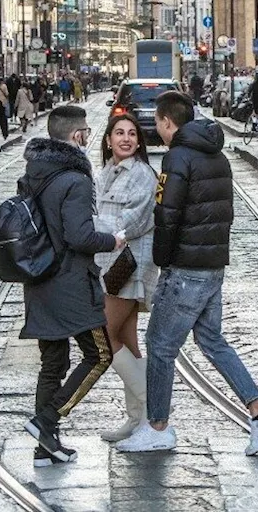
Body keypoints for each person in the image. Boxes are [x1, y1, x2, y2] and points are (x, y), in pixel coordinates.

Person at [117, 92, 258, 456]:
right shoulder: (216, 154)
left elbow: (167, 214)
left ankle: (158, 426)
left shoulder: (178, 156)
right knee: (211, 341)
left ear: (165, 121)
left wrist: (163, 260)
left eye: (158, 125)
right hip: (212, 266)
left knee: (161, 347)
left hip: (185, 269)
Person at [19, 105, 124, 464]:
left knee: (53, 363)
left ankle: (44, 447)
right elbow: (79, 236)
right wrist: (112, 242)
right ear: (78, 136)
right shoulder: (76, 180)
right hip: (71, 283)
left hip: (38, 281)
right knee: (100, 355)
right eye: (87, 132)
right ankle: (47, 421)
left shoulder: (34, 172)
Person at [93, 114, 160, 445]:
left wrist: (89, 227)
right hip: (107, 263)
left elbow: (129, 223)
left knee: (103, 335)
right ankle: (138, 420)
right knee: (128, 340)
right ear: (108, 140)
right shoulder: (104, 173)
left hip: (129, 265)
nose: (125, 138)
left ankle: (153, 408)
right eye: (119, 133)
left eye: (132, 134)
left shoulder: (143, 174)